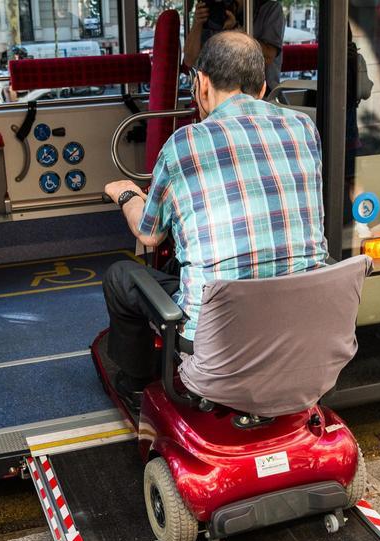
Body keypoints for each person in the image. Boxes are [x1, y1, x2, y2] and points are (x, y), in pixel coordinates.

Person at [102, 32, 329, 408]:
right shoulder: (304, 129)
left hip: (217, 346)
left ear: (201, 83)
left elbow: (150, 234)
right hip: (301, 330)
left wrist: (126, 193)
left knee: (121, 278)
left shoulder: (183, 144)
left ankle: (138, 384)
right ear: (262, 87)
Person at [183, 0, 285, 97]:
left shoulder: (270, 10)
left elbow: (268, 57)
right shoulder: (214, 12)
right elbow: (189, 60)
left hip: (258, 94)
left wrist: (236, 28)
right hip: (216, 94)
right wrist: (198, 23)